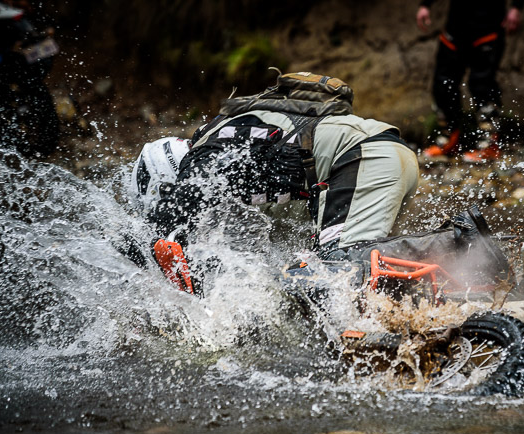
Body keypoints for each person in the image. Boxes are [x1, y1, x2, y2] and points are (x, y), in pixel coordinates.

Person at [131, 72, 419, 293]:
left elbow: (172, 217)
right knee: (369, 266)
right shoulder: (228, 139)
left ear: (165, 181)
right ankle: (428, 299)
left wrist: (135, 246)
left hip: (363, 159)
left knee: (335, 273)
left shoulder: (204, 156)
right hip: (386, 155)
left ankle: (378, 336)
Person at [416, 0, 524, 162]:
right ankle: (449, 137)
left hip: (489, 23)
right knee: (443, 82)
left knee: (481, 83)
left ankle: (489, 143)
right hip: (456, 24)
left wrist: (516, 7)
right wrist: (425, 5)